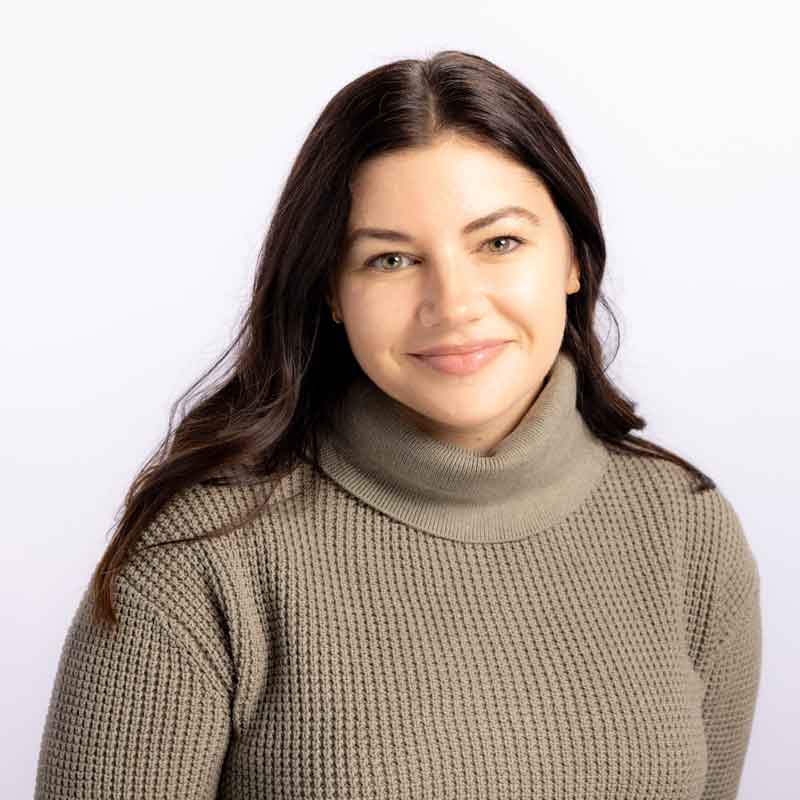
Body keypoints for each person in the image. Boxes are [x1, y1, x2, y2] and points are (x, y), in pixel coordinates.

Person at [34, 50, 761, 799]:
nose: (454, 303)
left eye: (499, 243)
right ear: (330, 292)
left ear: (573, 256)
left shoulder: (684, 529)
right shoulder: (199, 560)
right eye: (390, 260)